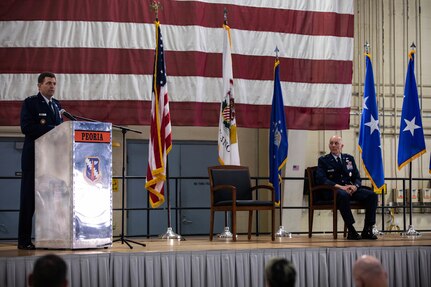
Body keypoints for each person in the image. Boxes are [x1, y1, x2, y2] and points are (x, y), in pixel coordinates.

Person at [18, 72, 63, 250]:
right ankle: (24, 240)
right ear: (39, 86)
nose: (52, 86)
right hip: (34, 157)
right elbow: (27, 128)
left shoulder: (57, 105)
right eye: (48, 83)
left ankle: (50, 238)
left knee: (52, 199)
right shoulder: (30, 103)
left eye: (54, 83)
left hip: (53, 159)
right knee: (29, 200)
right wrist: (52, 129)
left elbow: (62, 130)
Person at [315, 135, 378, 240]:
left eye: (336, 143)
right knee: (343, 195)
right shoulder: (323, 160)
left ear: (342, 146)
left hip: (350, 190)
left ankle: (368, 228)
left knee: (372, 196)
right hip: (334, 191)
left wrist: (355, 186)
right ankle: (351, 229)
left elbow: (357, 177)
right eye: (331, 143)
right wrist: (341, 187)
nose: (333, 145)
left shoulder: (349, 158)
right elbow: (321, 179)